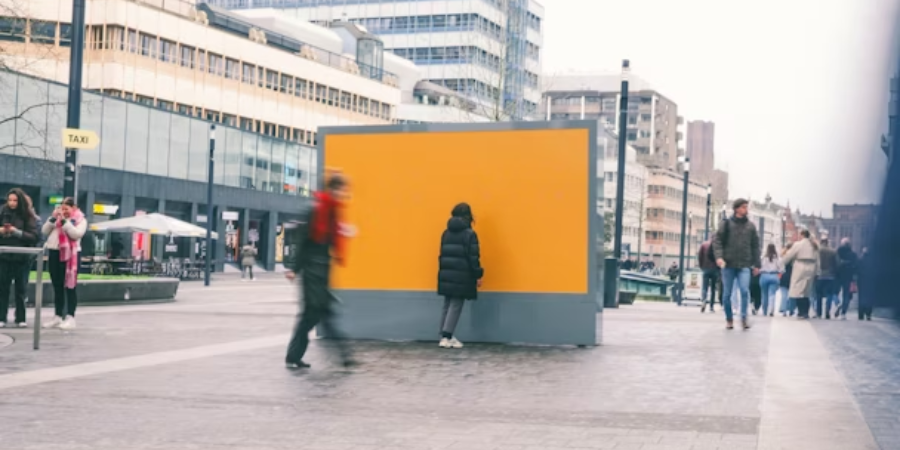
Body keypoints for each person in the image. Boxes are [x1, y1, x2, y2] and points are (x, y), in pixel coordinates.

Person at [284, 173, 355, 369]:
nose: (344, 194)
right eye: (342, 190)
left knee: (311, 316)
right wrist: (293, 268)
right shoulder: (315, 209)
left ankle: (293, 356)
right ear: (332, 189)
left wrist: (344, 232)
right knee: (322, 313)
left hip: (323, 270)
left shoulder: (332, 211)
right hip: (312, 271)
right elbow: (302, 241)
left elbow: (331, 239)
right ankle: (345, 356)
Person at [436, 202, 484, 349]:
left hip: (447, 272)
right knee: (456, 304)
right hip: (462, 275)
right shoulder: (469, 234)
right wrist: (478, 274)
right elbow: (473, 257)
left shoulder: (446, 232)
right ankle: (447, 336)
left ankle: (444, 335)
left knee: (447, 303)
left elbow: (442, 255)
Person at [713, 198, 761, 330]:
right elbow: (717, 241)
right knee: (727, 294)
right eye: (744, 207)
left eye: (747, 207)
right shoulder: (726, 224)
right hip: (728, 264)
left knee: (745, 291)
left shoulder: (751, 226)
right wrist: (719, 257)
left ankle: (744, 318)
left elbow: (756, 246)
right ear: (737, 209)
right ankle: (729, 319)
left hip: (744, 264)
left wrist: (757, 264)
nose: (746, 209)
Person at [41, 197, 88, 330]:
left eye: (66, 209)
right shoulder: (55, 219)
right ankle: (57, 315)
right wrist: (53, 219)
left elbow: (76, 234)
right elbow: (44, 231)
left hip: (71, 256)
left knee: (70, 286)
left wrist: (65, 222)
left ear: (74, 208)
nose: (64, 211)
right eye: (62, 208)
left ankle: (70, 316)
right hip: (55, 252)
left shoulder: (80, 220)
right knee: (57, 285)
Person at [0, 188, 39, 328]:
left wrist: (16, 232)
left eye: (15, 200)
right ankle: (1, 317)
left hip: (21, 258)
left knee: (21, 288)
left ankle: (20, 317)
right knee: (2, 288)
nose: (11, 203)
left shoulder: (28, 215)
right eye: (9, 200)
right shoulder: (2, 212)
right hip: (4, 257)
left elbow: (34, 237)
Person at [783, 229, 820, 319]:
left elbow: (789, 255)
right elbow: (818, 260)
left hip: (800, 266)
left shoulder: (798, 244)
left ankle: (801, 311)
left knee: (798, 291)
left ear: (802, 235)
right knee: (807, 291)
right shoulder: (814, 246)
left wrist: (783, 263)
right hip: (811, 267)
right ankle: (805, 311)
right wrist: (817, 272)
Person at [815, 238, 839, 319]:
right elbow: (837, 264)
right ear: (827, 243)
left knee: (818, 295)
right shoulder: (833, 251)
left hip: (819, 275)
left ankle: (819, 313)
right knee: (829, 294)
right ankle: (827, 311)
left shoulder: (817, 251)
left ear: (821, 243)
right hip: (830, 276)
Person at [835, 238, 858, 320]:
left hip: (838, 275)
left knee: (835, 292)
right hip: (848, 276)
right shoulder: (853, 254)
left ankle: (837, 304)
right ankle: (843, 312)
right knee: (846, 295)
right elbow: (856, 266)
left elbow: (834, 263)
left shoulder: (838, 252)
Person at [759, 243, 783, 317]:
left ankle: (764, 311)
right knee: (772, 294)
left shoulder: (763, 257)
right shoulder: (778, 258)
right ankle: (771, 310)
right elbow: (782, 269)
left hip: (764, 276)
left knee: (764, 294)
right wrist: (779, 275)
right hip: (774, 276)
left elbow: (759, 267)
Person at [698, 239, 719, 313]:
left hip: (706, 268)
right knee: (713, 289)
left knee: (704, 287)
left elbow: (700, 256)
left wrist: (701, 266)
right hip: (714, 269)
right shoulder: (717, 246)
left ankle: (704, 300)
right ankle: (711, 307)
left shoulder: (704, 244)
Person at [779, 243, 796, 316]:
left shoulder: (783, 256)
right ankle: (791, 309)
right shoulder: (794, 256)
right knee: (792, 295)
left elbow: (781, 268)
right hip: (793, 276)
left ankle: (784, 310)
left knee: (784, 295)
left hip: (784, 276)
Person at [857, 247, 872, 320]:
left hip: (861, 281)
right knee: (869, 297)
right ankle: (868, 314)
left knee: (861, 297)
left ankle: (861, 314)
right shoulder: (872, 260)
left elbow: (857, 270)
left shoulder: (860, 259)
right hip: (869, 281)